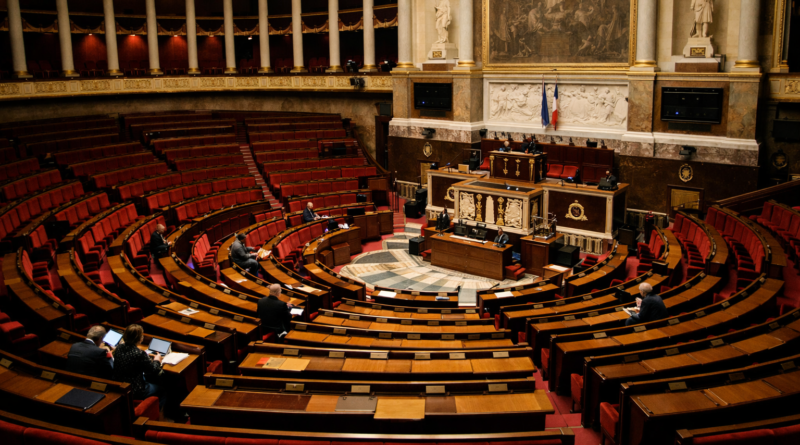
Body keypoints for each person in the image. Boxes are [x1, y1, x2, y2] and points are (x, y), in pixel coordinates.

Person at [113, 324, 164, 407]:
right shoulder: (139, 353)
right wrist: (157, 360)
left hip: (121, 386)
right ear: (140, 338)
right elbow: (152, 371)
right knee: (162, 389)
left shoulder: (119, 347)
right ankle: (157, 414)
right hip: (136, 389)